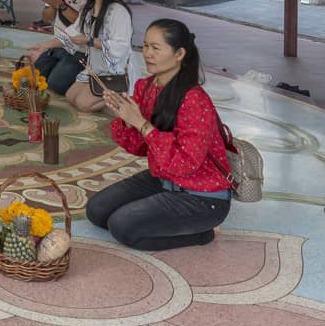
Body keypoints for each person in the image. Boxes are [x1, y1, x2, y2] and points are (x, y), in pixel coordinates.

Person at [86, 19, 231, 251]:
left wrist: (142, 124)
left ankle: (205, 233)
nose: (148, 54)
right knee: (96, 210)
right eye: (145, 46)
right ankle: (158, 210)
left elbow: (186, 163)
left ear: (179, 53)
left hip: (202, 196)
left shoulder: (194, 100)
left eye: (156, 48)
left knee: (122, 226)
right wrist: (125, 118)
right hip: (164, 178)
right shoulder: (146, 87)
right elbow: (139, 148)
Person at [28, 0, 89, 92]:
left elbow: (84, 24)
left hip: (79, 49)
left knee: (56, 85)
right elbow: (47, 18)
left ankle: (87, 74)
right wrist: (51, 4)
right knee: (34, 77)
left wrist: (60, 5)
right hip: (58, 45)